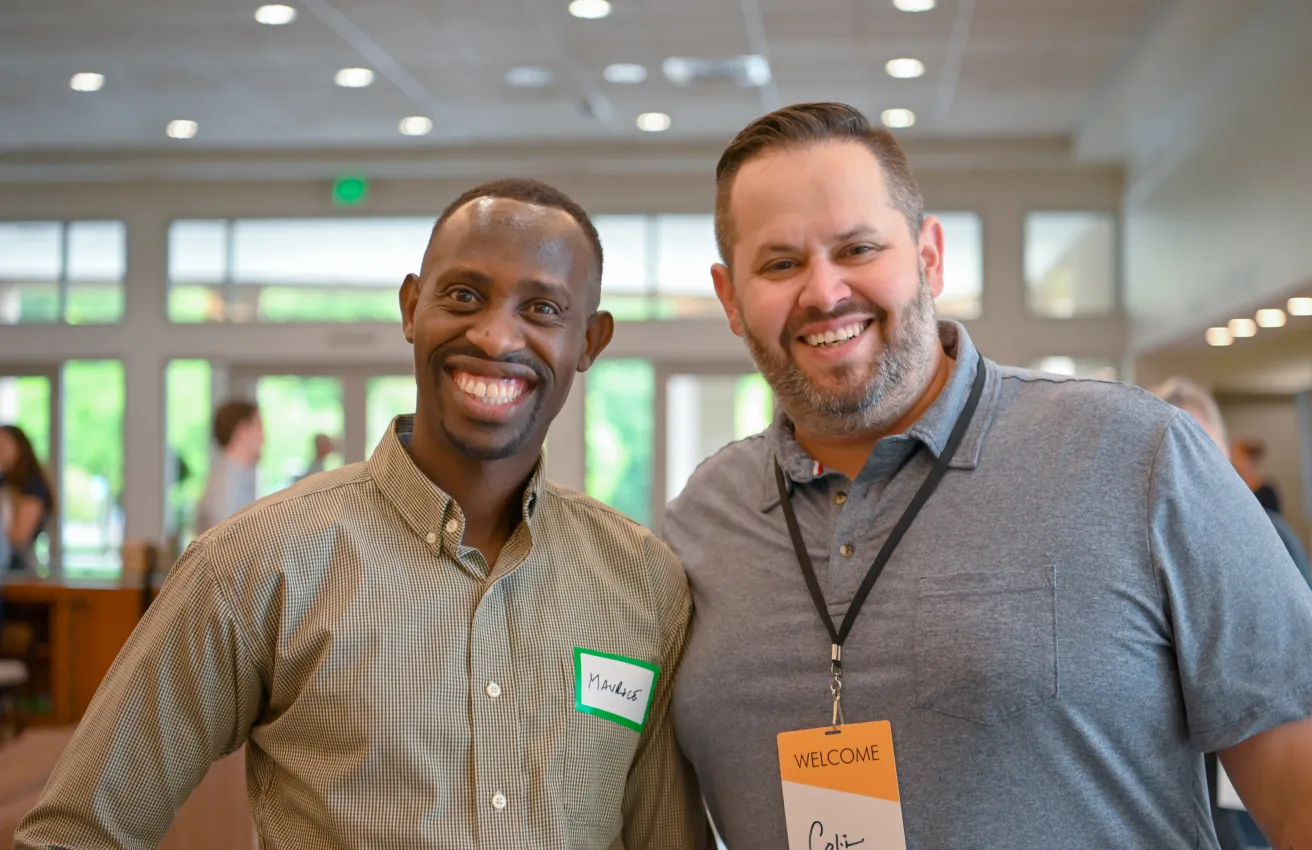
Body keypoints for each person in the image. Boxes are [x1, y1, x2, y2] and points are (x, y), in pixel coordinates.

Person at [664, 102, 1312, 849]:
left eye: (859, 248)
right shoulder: (702, 521)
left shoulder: (1139, 457)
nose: (823, 292)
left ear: (929, 256)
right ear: (729, 299)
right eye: (780, 263)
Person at [15, 178, 700, 850]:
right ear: (411, 307)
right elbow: (77, 831)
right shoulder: (255, 563)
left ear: (590, 341)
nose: (495, 337)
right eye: (464, 295)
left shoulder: (642, 581)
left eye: (543, 309)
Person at [194, 400, 263, 534]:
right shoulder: (224, 481)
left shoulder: (238, 475)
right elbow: (227, 541)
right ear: (242, 432)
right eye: (259, 427)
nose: (263, 438)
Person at [0, 425, 55, 574]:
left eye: (4, 445)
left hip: (18, 569)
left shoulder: (31, 486)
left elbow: (20, 537)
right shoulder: (4, 482)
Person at [1231, 437, 1283, 514]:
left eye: (1238, 458)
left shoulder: (1267, 493)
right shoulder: (1237, 490)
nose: (1234, 462)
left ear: (1249, 461)